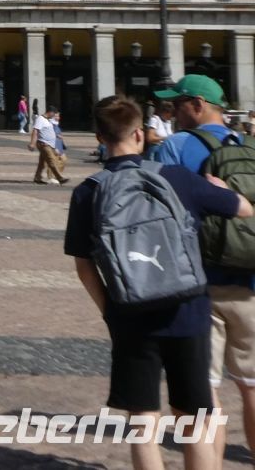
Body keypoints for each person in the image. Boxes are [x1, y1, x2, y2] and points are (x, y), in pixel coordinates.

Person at [65, 95, 248, 470]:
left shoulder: (88, 191)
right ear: (139, 134)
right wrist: (218, 187)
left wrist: (110, 311)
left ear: (100, 137)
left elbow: (84, 266)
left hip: (130, 315)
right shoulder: (176, 178)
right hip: (188, 310)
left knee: (142, 423)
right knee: (195, 420)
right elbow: (244, 209)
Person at [152, 75, 255, 463]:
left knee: (203, 389)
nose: (172, 112)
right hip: (250, 280)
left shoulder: (175, 147)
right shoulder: (248, 146)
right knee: (252, 385)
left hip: (198, 286)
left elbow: (156, 211)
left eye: (176, 105)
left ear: (197, 104)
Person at [30, 105, 69, 185]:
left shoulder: (47, 120)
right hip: (44, 144)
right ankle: (60, 178)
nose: (54, 116)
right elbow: (35, 131)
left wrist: (56, 136)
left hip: (49, 145)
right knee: (52, 161)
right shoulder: (40, 119)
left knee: (42, 163)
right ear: (50, 112)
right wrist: (32, 143)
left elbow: (48, 131)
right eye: (54, 114)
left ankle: (37, 177)